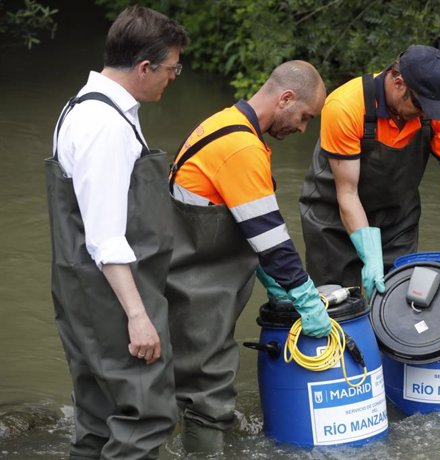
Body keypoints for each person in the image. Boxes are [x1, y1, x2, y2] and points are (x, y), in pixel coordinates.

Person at [165, 60, 331, 454]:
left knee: (185, 383)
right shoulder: (242, 147)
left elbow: (241, 222)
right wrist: (305, 297)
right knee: (207, 387)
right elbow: (272, 241)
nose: (304, 128)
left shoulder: (222, 123)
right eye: (305, 117)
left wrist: (274, 284)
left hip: (183, 275)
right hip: (195, 287)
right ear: (286, 98)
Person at [46, 6, 189, 458]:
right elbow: (105, 236)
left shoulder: (82, 107)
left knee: (96, 420)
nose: (173, 77)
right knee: (144, 419)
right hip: (114, 296)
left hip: (81, 292)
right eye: (171, 68)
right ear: (144, 67)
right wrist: (138, 315)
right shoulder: (105, 126)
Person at [299, 44, 440, 298]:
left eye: (433, 107)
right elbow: (347, 193)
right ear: (398, 82)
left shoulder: (434, 111)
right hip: (333, 220)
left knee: (397, 302)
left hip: (397, 220)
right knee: (338, 305)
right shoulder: (345, 107)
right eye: (420, 104)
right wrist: (371, 256)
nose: (426, 113)